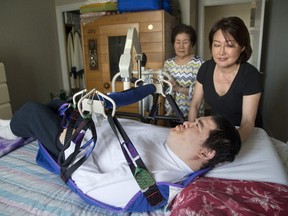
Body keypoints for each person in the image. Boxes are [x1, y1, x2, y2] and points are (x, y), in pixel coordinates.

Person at [0, 100, 241, 207]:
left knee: (32, 112)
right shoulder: (171, 140)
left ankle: (7, 133)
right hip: (89, 126)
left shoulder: (155, 178)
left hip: (74, 148)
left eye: (196, 126)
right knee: (55, 104)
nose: (187, 122)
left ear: (206, 152)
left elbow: (93, 186)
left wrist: (70, 144)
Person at [188, 16, 263, 142]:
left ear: (242, 47)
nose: (221, 52)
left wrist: (229, 145)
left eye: (229, 45)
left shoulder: (250, 76)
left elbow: (248, 122)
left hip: (244, 133)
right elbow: (195, 105)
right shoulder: (205, 68)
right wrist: (191, 133)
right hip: (218, 130)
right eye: (216, 45)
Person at [163, 23, 204, 120]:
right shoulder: (168, 63)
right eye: (178, 42)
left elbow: (203, 92)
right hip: (171, 114)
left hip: (192, 115)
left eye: (185, 42)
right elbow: (164, 87)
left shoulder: (200, 64)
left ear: (192, 43)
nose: (181, 46)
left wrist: (178, 88)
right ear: (173, 43)